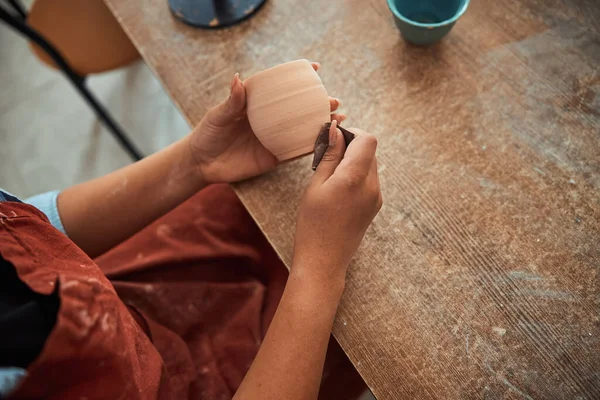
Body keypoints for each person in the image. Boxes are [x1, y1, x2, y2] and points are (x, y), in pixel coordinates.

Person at [0, 63, 382, 400]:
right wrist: (319, 269)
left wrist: (196, 163)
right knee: (369, 321)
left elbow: (29, 229)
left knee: (257, 203)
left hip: (100, 303)